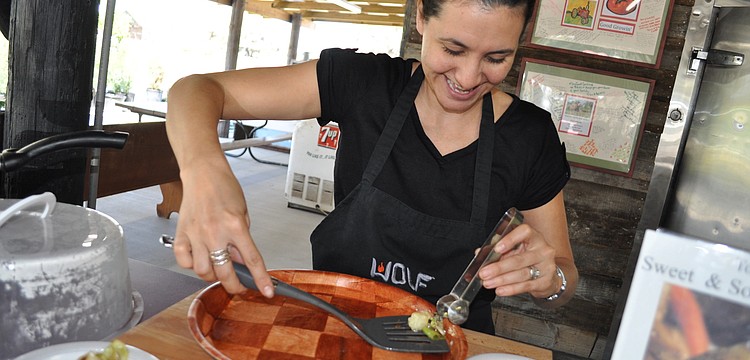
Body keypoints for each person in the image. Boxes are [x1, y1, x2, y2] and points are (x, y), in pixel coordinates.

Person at [165, 0, 578, 334]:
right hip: (334, 331)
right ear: (420, 15)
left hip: (451, 342)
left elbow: (564, 282)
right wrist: (204, 170)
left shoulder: (529, 136)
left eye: (497, 58)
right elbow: (196, 90)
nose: (468, 78)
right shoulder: (361, 82)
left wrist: (549, 280)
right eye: (452, 50)